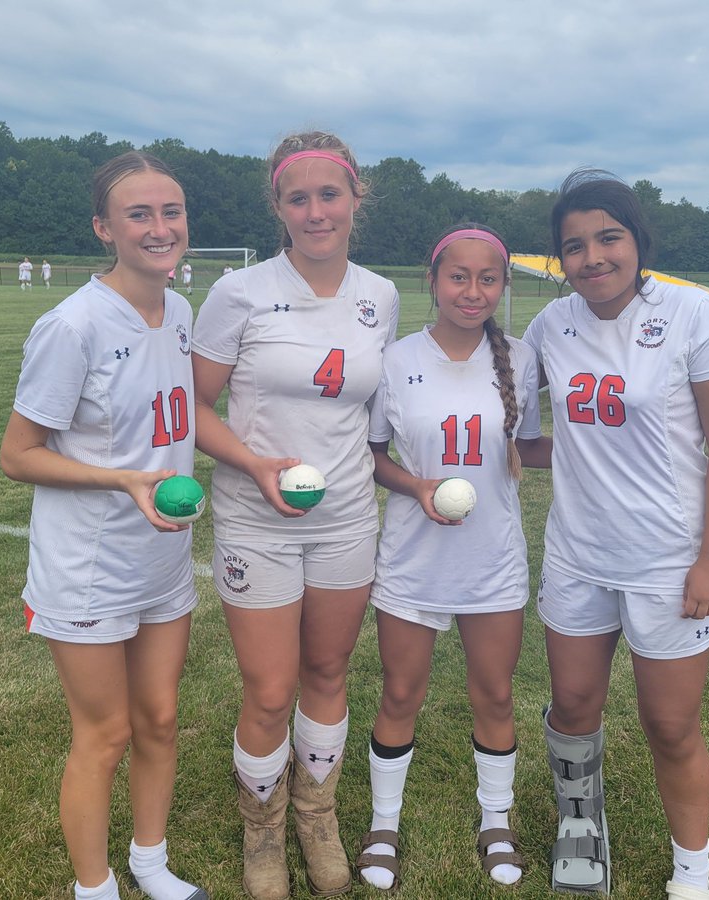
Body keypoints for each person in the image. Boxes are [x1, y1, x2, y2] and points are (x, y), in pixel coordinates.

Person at [521, 169, 709, 899]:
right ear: (560, 260)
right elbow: (520, 432)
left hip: (669, 562)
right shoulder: (549, 325)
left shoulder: (694, 314)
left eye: (608, 238)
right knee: (573, 707)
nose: (593, 258)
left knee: (671, 726)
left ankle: (692, 872)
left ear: (637, 239)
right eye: (574, 246)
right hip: (578, 557)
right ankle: (582, 828)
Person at [191, 130, 399, 900]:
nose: (316, 212)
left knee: (328, 672)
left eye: (329, 195)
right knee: (271, 690)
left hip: (346, 518)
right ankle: (264, 828)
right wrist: (254, 464)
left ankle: (317, 815)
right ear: (278, 207)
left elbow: (373, 411)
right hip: (255, 518)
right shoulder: (238, 293)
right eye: (298, 198)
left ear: (355, 200)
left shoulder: (380, 295)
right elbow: (194, 410)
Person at [0, 151, 208, 900]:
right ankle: (96, 889)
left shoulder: (179, 310)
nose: (161, 228)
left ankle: (150, 861)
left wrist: (256, 459)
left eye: (172, 211)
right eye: (140, 215)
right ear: (104, 229)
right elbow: (17, 456)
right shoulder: (73, 324)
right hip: (88, 564)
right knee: (105, 734)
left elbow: (175, 421)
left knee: (159, 717)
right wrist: (123, 479)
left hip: (162, 559)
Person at [356, 224, 548, 892]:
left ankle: (496, 822)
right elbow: (374, 456)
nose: (472, 290)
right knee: (401, 691)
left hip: (492, 560)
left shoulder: (522, 360)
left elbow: (536, 446)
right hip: (413, 558)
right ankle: (384, 825)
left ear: (503, 285)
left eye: (487, 278)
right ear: (432, 281)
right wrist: (416, 488)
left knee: (494, 694)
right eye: (458, 276)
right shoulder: (394, 359)